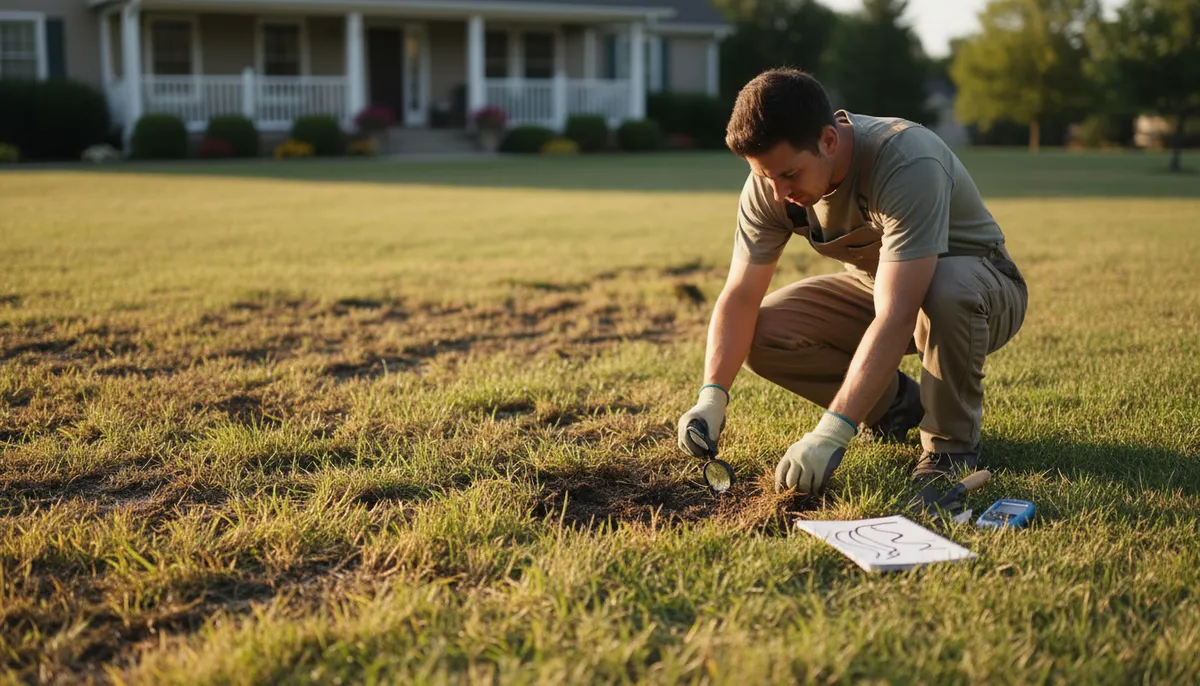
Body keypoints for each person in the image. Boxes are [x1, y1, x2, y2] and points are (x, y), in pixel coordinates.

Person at [676, 68, 1028, 494]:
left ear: (828, 140)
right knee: (765, 329)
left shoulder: (906, 161)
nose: (776, 192)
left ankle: (949, 449)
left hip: (981, 284)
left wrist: (831, 432)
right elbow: (739, 296)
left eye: (788, 175)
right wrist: (712, 396)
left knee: (944, 288)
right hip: (878, 284)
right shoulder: (772, 182)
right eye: (764, 177)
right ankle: (897, 407)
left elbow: (897, 313)